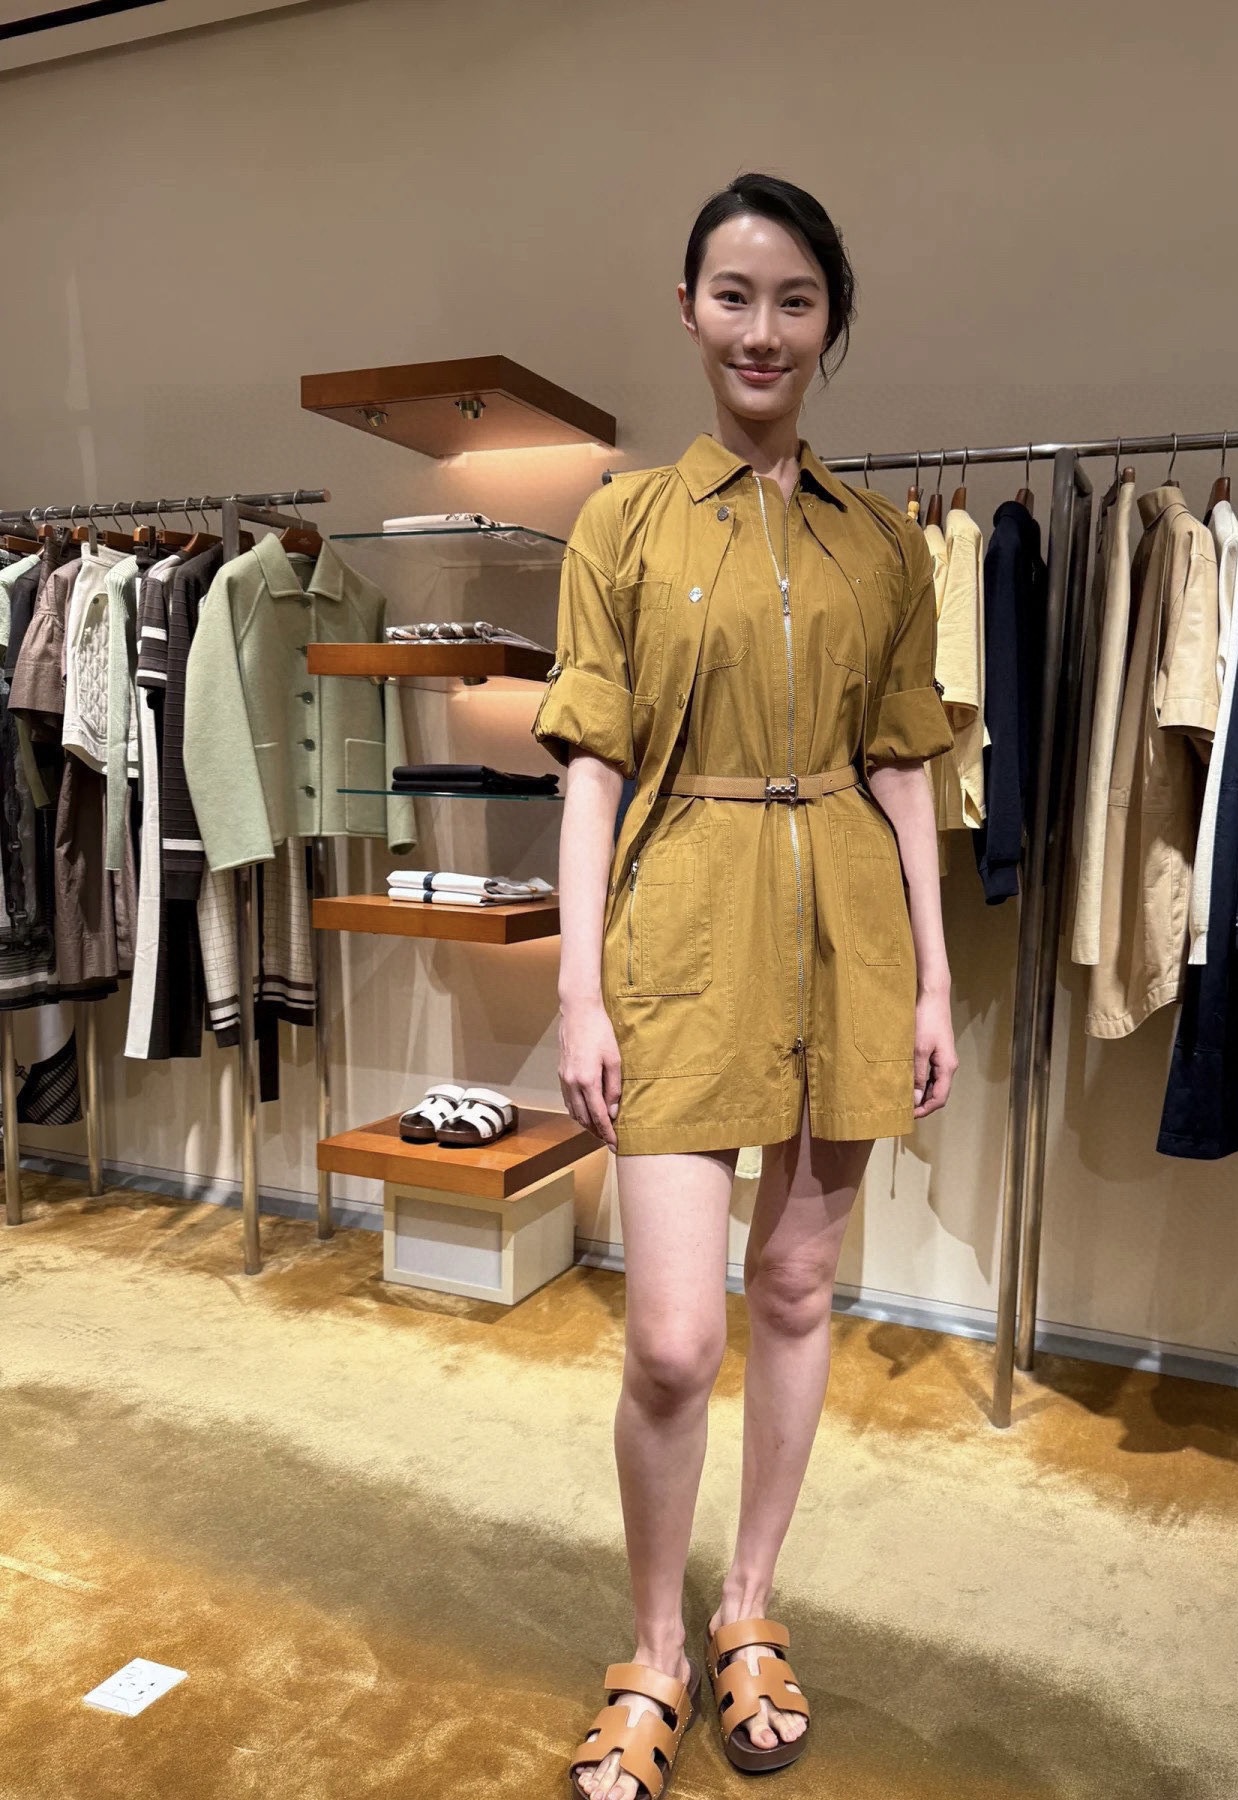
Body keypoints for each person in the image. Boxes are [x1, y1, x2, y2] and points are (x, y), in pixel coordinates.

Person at [531, 171, 959, 1800]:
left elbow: (904, 765)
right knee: (667, 1336)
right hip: (681, 931)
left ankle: (745, 1610)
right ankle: (650, 1644)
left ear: (829, 320)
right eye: (732, 294)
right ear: (688, 310)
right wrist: (580, 989)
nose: (760, 328)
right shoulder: (623, 523)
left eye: (793, 299)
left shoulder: (883, 545)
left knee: (793, 1289)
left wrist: (928, 981)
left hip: (848, 928)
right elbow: (589, 764)